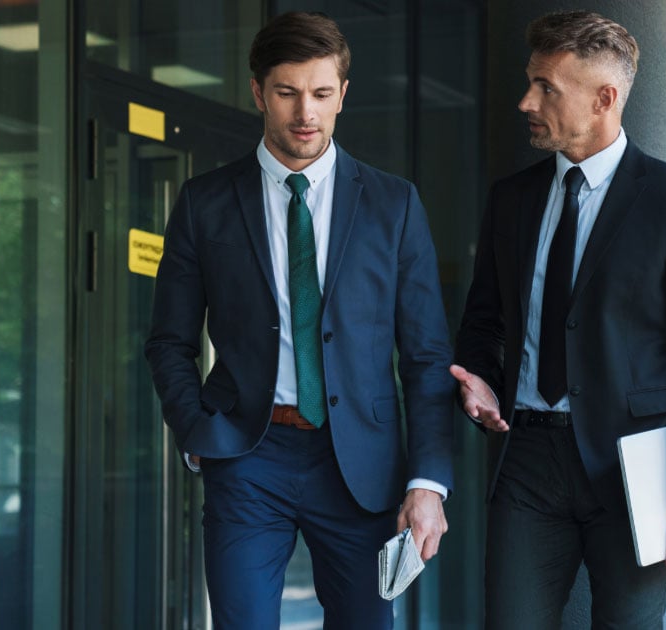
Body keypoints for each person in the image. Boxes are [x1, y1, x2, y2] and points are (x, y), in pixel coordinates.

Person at [144, 11, 454, 630]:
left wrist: (428, 481)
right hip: (246, 455)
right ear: (259, 93)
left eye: (319, 94)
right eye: (287, 93)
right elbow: (169, 340)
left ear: (343, 94)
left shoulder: (394, 204)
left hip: (361, 465)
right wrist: (197, 432)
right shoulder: (205, 202)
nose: (304, 113)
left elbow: (425, 355)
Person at [450, 10, 666, 629]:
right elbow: (485, 320)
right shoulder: (511, 199)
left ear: (605, 98)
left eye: (547, 87)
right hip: (526, 456)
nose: (526, 100)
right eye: (531, 81)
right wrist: (481, 379)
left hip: (635, 470)